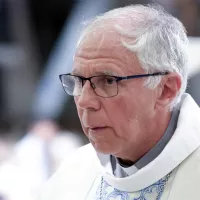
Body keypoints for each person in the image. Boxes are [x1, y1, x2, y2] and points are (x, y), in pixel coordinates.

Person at [38, 4, 200, 200]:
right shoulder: (75, 172)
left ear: (166, 90)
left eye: (108, 81)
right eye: (79, 81)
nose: (85, 101)